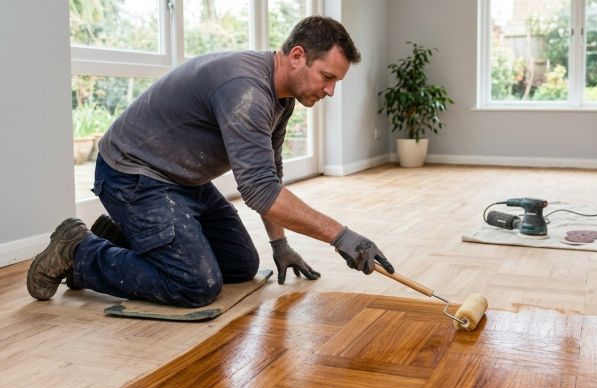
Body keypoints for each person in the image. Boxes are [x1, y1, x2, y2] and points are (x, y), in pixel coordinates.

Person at [27, 16, 394, 307]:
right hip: (133, 175)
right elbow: (260, 192)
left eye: (336, 82)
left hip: (183, 181)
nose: (330, 90)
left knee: (240, 265)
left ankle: (121, 236)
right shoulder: (246, 91)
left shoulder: (281, 99)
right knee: (195, 285)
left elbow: (270, 177)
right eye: (327, 77)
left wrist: (280, 246)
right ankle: (78, 250)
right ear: (297, 56)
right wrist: (342, 237)